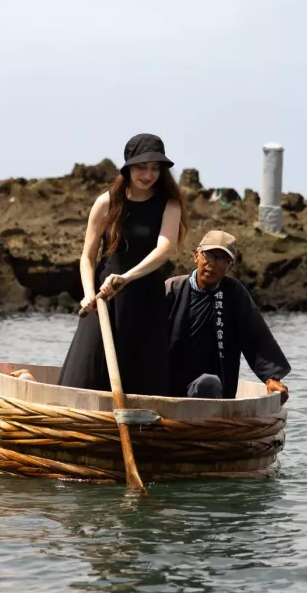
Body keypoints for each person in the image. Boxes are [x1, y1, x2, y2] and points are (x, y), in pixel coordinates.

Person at [56, 133, 189, 396]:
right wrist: (88, 295)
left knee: (142, 379)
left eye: (155, 168)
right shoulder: (108, 202)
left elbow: (165, 249)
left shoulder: (169, 205)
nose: (148, 174)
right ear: (128, 166)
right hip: (105, 299)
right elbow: (87, 256)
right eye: (142, 166)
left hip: (145, 298)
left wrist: (126, 278)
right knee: (85, 374)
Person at [165, 230, 291, 402]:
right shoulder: (172, 289)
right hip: (167, 380)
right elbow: (146, 334)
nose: (213, 264)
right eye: (209, 256)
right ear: (196, 256)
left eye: (222, 259)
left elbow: (255, 337)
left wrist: (271, 378)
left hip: (212, 387)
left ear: (230, 267)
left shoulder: (234, 294)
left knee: (208, 383)